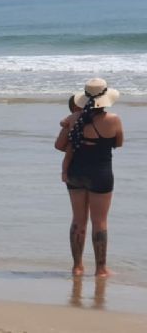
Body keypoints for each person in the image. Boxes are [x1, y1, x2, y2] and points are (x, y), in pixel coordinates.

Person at [56, 78, 123, 277]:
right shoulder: (113, 119)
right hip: (100, 173)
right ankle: (101, 269)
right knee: (100, 222)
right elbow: (118, 143)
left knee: (78, 220)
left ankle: (77, 267)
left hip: (76, 172)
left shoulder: (74, 118)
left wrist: (69, 127)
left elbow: (59, 146)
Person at [55, 95, 82, 182]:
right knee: (68, 155)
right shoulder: (74, 116)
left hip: (74, 148)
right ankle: (64, 172)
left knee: (68, 155)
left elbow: (59, 145)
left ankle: (64, 173)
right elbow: (63, 122)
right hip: (98, 167)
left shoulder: (72, 118)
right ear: (77, 107)